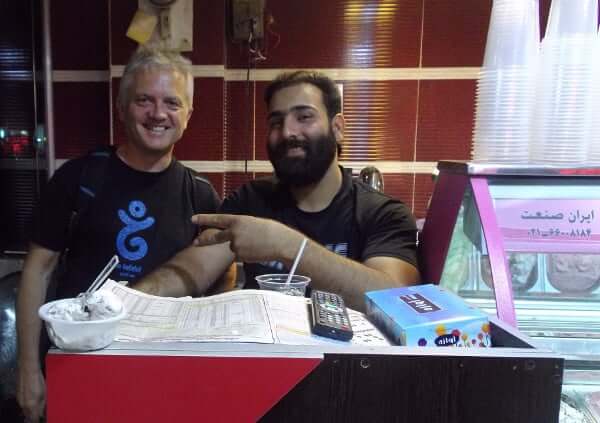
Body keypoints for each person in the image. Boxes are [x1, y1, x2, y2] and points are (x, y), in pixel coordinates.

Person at [16, 47, 225, 422]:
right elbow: (38, 270)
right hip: (77, 366)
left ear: (189, 115)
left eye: (172, 103)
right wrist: (29, 371)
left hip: (165, 374)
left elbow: (219, 277)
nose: (158, 114)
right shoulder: (77, 179)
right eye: (144, 100)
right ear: (122, 107)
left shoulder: (201, 194)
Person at [134, 70, 420, 310]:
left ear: (337, 128)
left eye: (304, 117)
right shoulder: (251, 201)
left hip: (348, 372)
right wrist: (124, 303)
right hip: (268, 368)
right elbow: (193, 269)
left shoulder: (383, 213)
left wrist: (287, 247)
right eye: (276, 121)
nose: (287, 132)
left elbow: (397, 301)